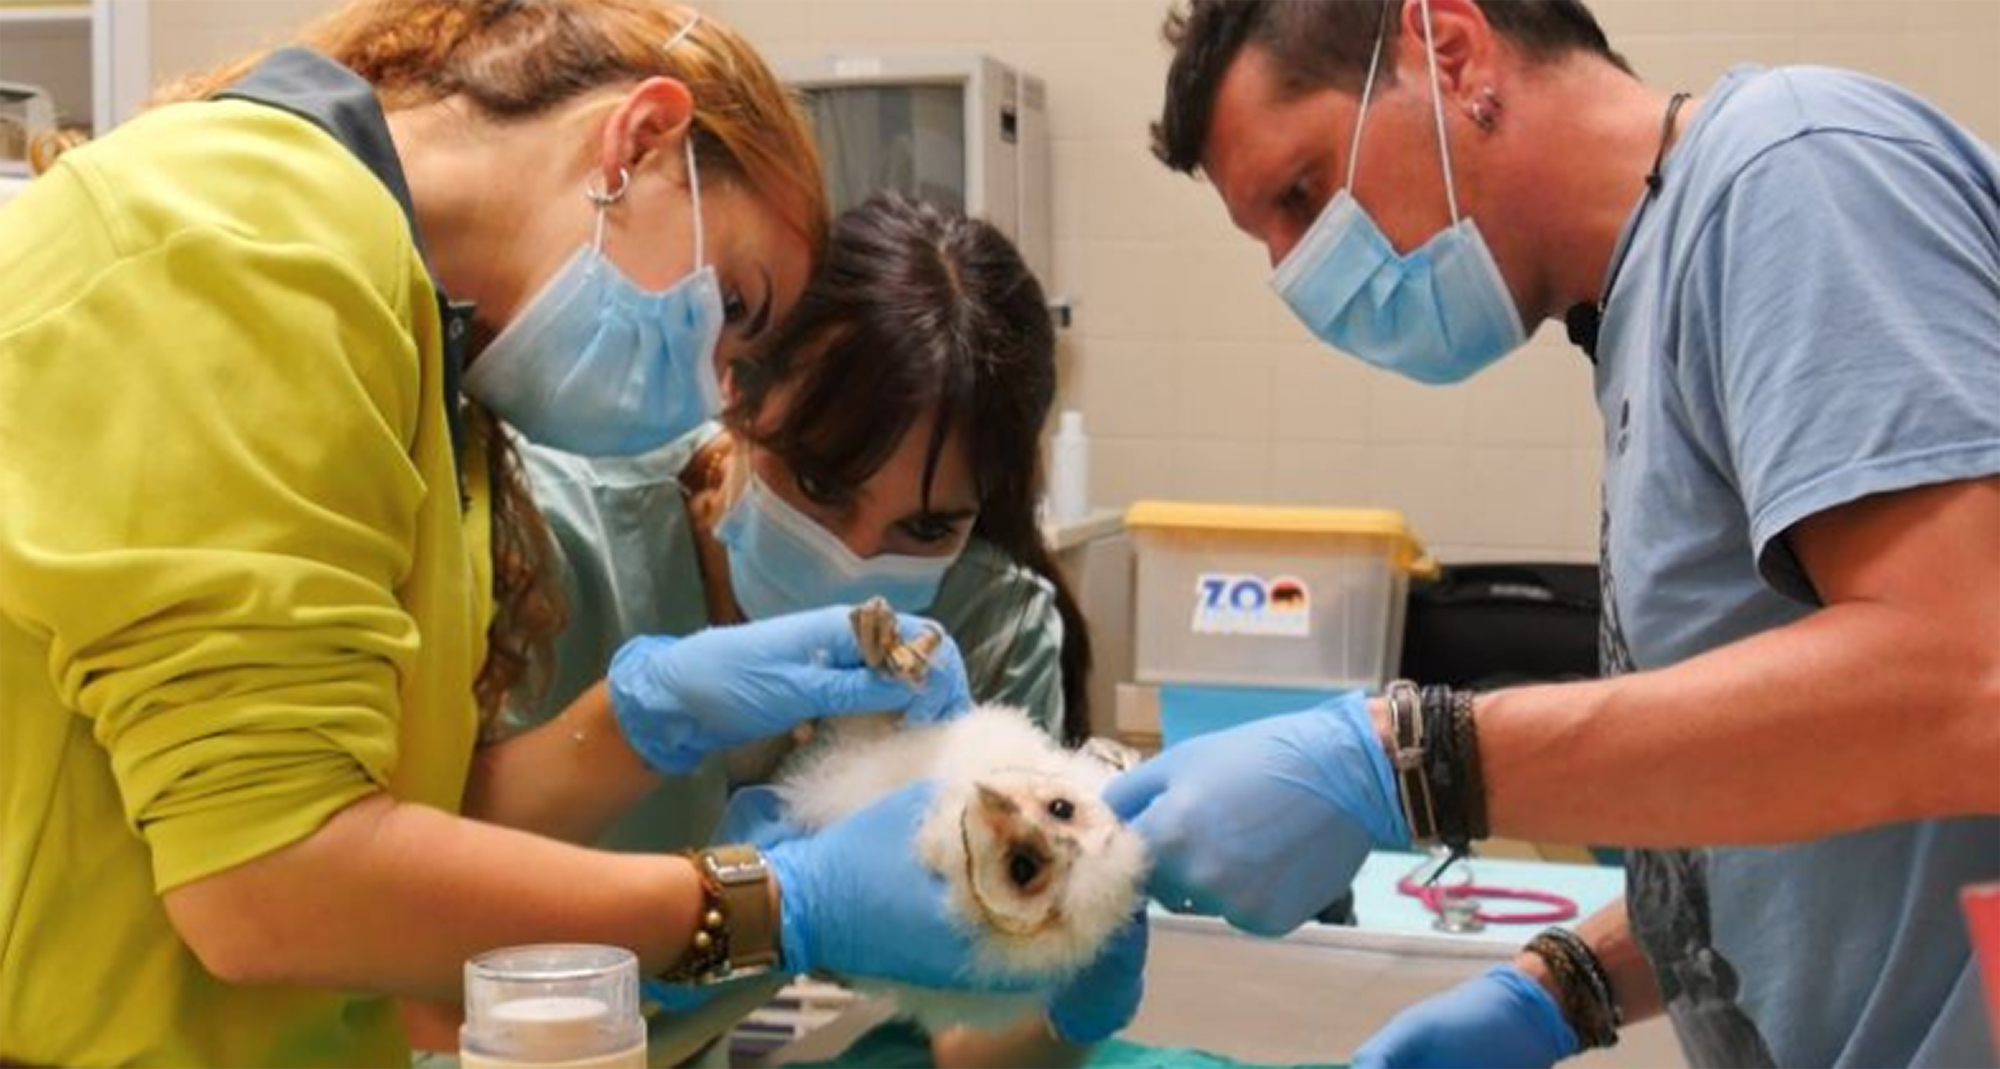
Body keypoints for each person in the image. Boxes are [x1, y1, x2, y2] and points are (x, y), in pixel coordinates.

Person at [0, 2, 1015, 1064]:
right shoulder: (239, 239)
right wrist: (775, 904)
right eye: (738, 307)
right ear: (640, 141)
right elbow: (268, 881)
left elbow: (387, 823)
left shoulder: (419, 349)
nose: (715, 380)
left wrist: (634, 721)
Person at [1111, 1, 2000, 1066]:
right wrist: (1565, 984)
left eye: (1302, 196)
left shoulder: (1791, 172)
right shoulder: (1642, 311)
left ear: (1447, 48)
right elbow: (1815, 794)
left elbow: (1965, 686)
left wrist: (1410, 765)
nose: (1302, 276)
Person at [506, 194, 1141, 1065]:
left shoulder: (985, 623)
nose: (851, 561)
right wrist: (636, 731)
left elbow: (962, 1031)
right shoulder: (551, 543)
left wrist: (1062, 982)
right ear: (734, 389)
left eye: (924, 530)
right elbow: (393, 920)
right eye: (818, 483)